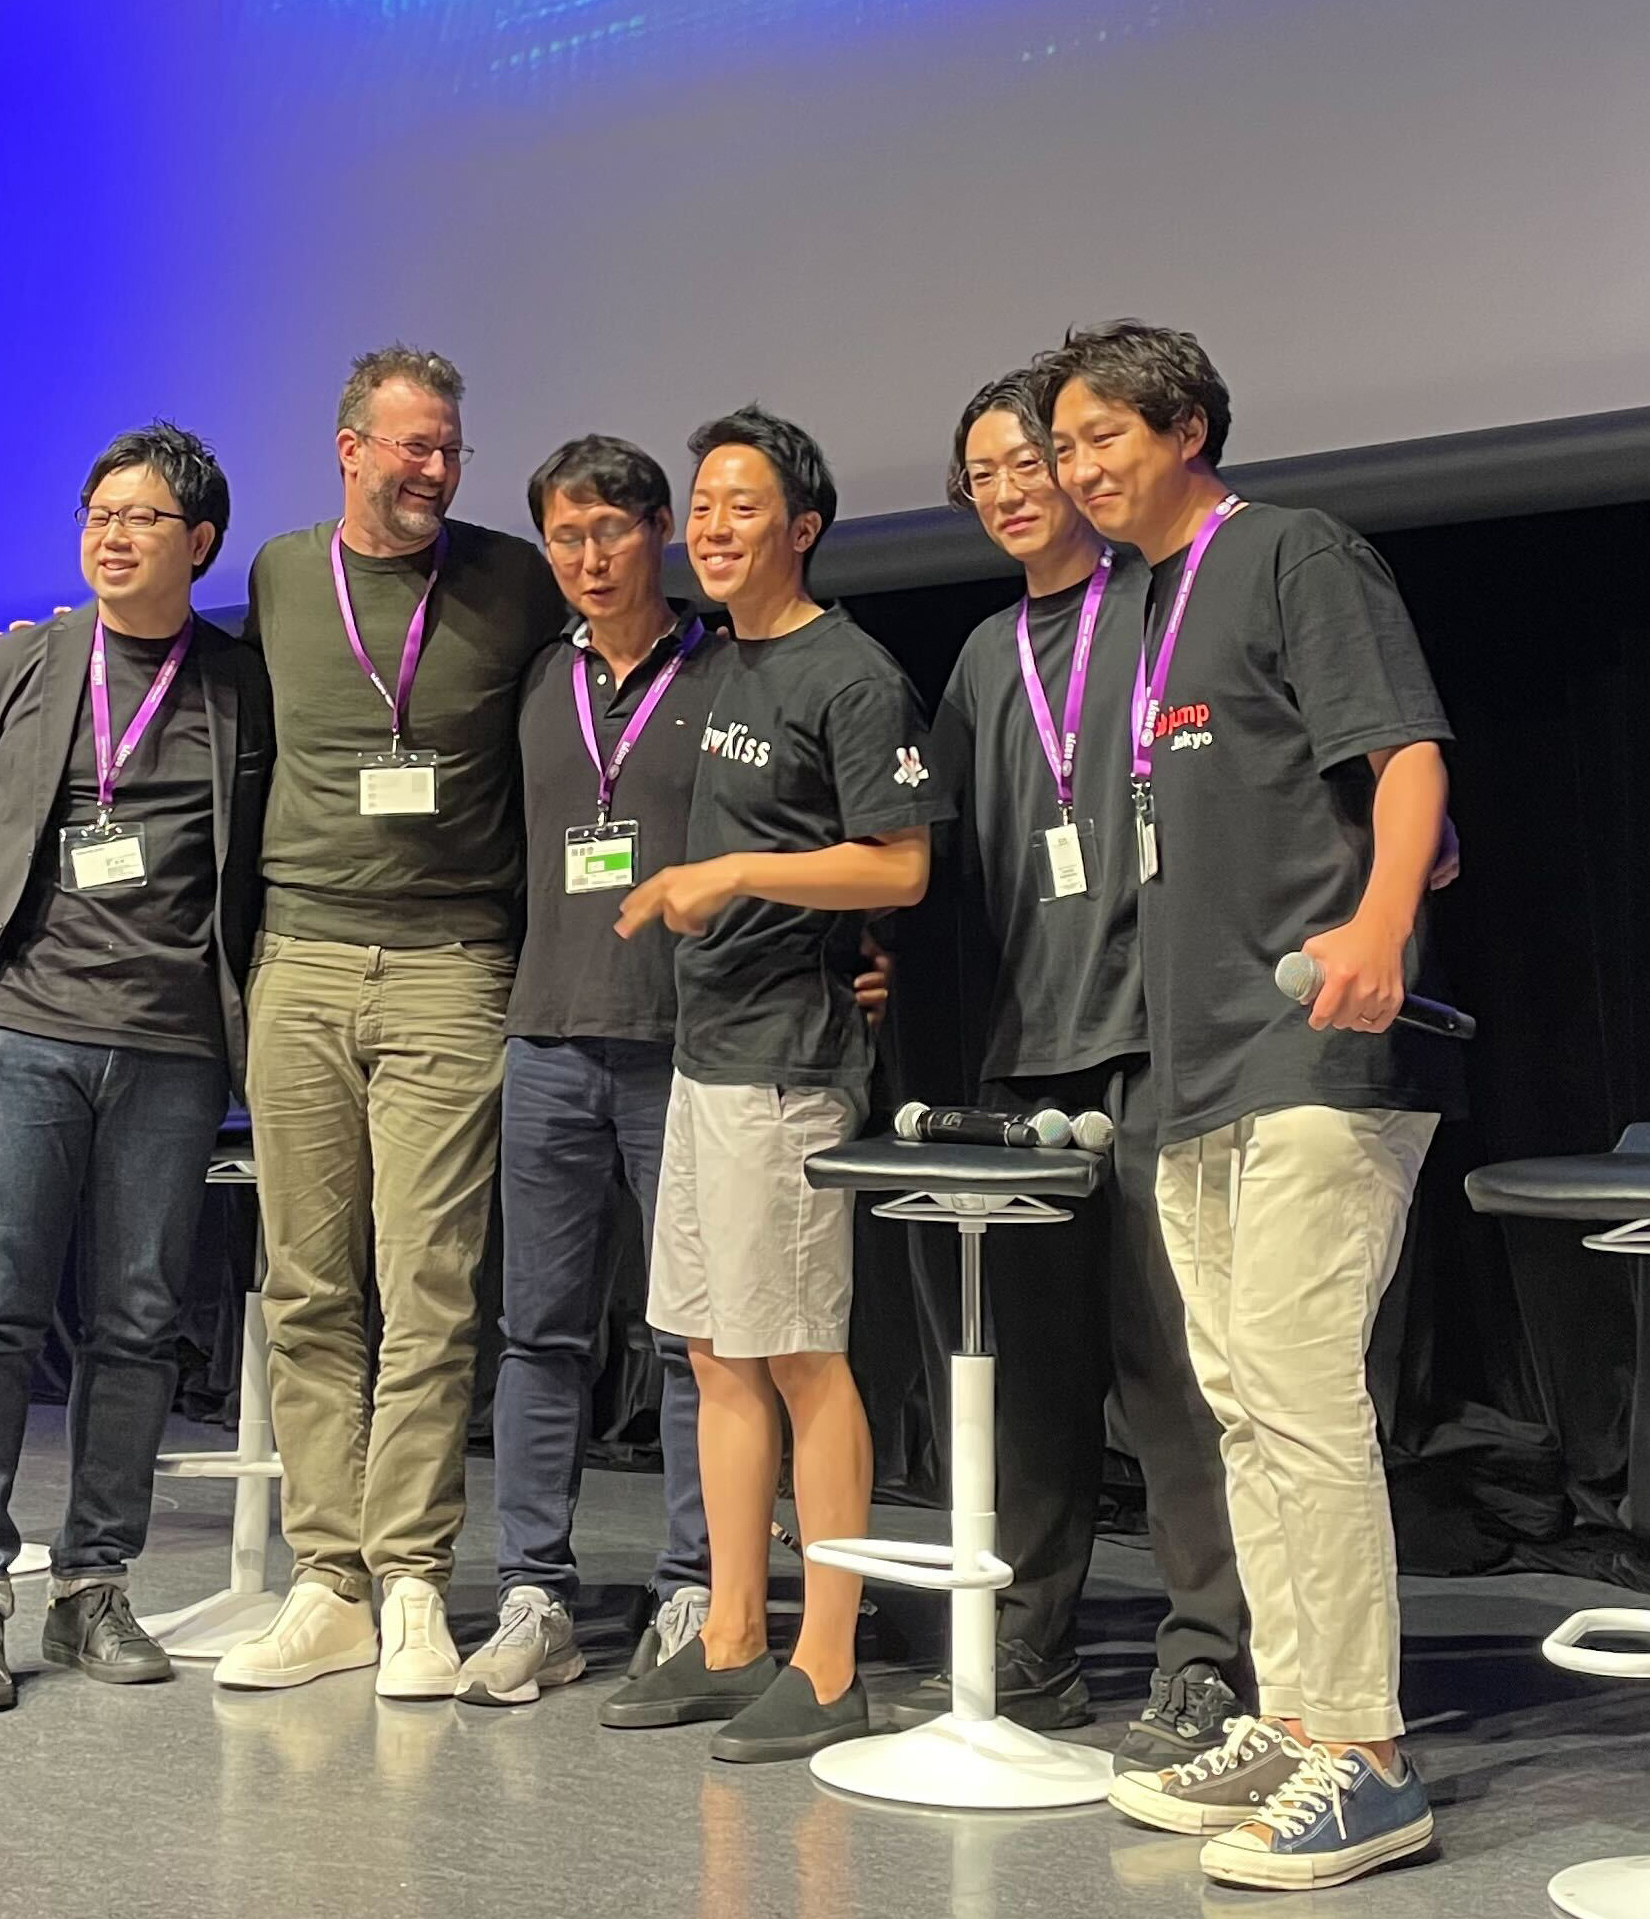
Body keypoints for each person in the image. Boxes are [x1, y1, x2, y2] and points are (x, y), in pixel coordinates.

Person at [1048, 321, 1460, 1888]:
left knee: (1297, 1392)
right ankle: (1293, 1719)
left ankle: (1365, 1754)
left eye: (1104, 436)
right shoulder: (1137, 605)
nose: (1079, 469)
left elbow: (1405, 757)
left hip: (1312, 1046)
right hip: (1193, 1062)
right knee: (1237, 1405)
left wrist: (1381, 923)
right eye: (1063, 446)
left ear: (1188, 429)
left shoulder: (1294, 553)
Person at [901, 363, 1248, 1768]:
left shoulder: (1165, 607)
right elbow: (925, 848)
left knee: (1172, 1374)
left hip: (1160, 1044)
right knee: (1032, 1380)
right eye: (979, 473)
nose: (1006, 490)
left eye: (1028, 461)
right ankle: (1029, 1646)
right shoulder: (985, 657)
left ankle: (1207, 1655)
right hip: (1025, 1059)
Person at [596, 407, 951, 1762]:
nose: (711, 525)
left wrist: (737, 872)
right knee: (712, 1347)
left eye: (741, 504)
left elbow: (899, 865)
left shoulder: (849, 672)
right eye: (701, 503)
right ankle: (733, 1634)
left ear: (802, 527)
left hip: (790, 1063)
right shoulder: (721, 659)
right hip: (707, 1051)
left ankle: (828, 1657)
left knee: (801, 1353)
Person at [0, 422, 270, 1712]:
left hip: (172, 1046)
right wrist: (10, 950)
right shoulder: (15, 663)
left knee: (137, 1322)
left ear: (200, 542)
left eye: (141, 517)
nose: (111, 536)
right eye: (97, 514)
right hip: (20, 1037)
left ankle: (93, 1584)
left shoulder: (239, 685)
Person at [217, 347, 567, 1696]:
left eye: (450, 449)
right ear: (349, 447)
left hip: (450, 965)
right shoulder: (278, 574)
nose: (433, 470)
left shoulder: (512, 579)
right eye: (411, 445)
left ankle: (413, 1574)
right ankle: (330, 1581)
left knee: (428, 1283)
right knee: (307, 1285)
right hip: (299, 957)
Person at [456, 435, 726, 1709]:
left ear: (658, 529)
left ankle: (695, 1586)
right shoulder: (532, 677)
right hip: (549, 1039)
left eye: (610, 529)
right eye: (564, 536)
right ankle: (537, 1595)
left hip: (685, 1045)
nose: (587, 556)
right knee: (539, 1333)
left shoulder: (726, 668)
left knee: (692, 1334)